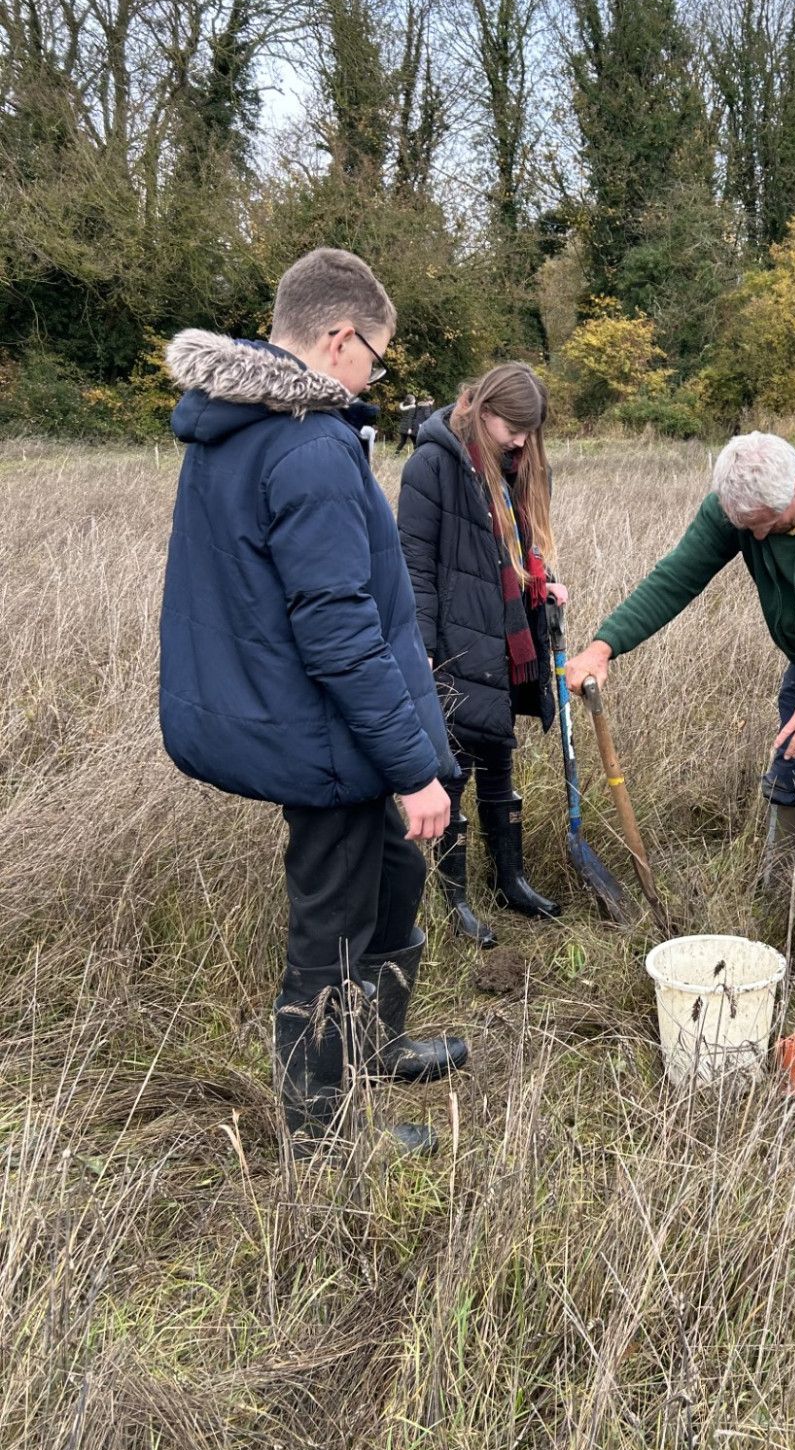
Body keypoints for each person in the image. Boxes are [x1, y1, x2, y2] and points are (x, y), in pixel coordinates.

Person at [159, 247, 466, 1154]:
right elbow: (337, 630)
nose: (377, 371)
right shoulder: (307, 445)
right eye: (376, 353)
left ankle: (379, 1044)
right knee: (329, 924)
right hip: (323, 733)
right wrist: (415, 770)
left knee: (397, 873)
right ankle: (323, 1139)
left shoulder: (245, 425)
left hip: (319, 721)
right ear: (339, 339)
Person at [565, 433, 795, 876]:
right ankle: (781, 886)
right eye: (744, 526)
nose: (755, 535)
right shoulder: (737, 508)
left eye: (765, 522)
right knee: (793, 767)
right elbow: (677, 578)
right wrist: (604, 647)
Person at [398, 364, 565, 945]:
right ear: (483, 407)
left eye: (529, 429)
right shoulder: (433, 464)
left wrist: (546, 583)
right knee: (456, 766)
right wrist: (421, 646)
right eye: (513, 426)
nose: (521, 439)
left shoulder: (512, 466)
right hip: (456, 633)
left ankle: (510, 880)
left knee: (499, 754)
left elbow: (519, 545)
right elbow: (412, 562)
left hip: (508, 627)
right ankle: (455, 900)